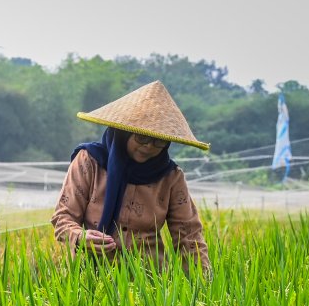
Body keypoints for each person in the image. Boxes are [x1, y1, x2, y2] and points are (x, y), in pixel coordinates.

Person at [52, 81, 212, 277]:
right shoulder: (89, 161)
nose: (149, 147)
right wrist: (80, 236)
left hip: (150, 279)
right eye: (141, 138)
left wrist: (203, 286)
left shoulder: (170, 176)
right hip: (91, 277)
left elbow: (189, 235)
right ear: (123, 133)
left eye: (159, 141)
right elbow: (63, 218)